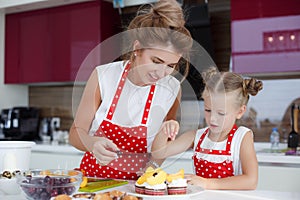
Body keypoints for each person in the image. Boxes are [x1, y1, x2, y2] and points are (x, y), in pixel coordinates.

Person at [69, 0, 193, 180]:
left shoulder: (172, 88)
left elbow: (163, 143)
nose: (161, 72)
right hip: (94, 181)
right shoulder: (104, 76)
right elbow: (75, 133)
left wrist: (153, 168)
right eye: (156, 61)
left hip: (137, 187)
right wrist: (91, 143)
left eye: (170, 65)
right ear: (137, 48)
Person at [152, 67, 263, 190]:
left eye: (221, 113)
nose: (213, 119)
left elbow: (251, 181)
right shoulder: (197, 136)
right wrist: (164, 130)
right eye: (208, 110)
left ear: (240, 111)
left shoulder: (242, 137)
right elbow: (159, 152)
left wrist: (207, 183)